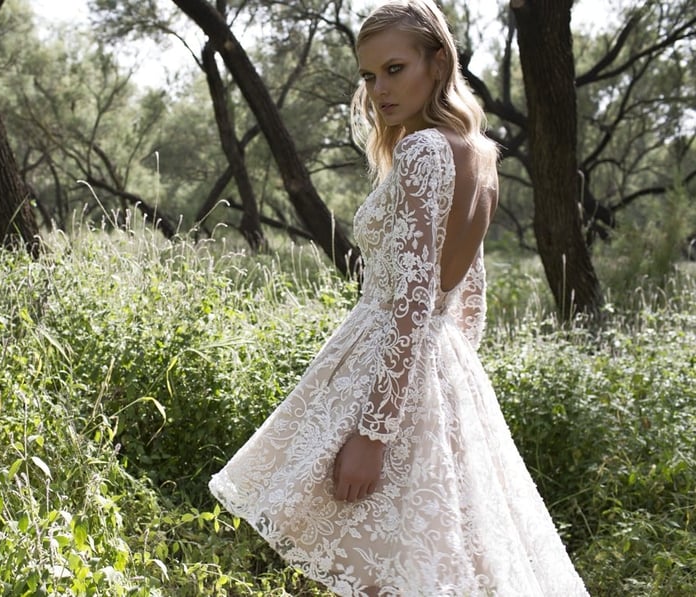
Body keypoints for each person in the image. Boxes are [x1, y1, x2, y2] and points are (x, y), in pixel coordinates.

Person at [208, 1, 590, 595]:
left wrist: (374, 433)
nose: (378, 90)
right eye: (367, 76)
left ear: (437, 63)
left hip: (389, 372)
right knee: (423, 560)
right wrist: (449, 388)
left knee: (383, 565)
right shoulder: (481, 153)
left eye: (393, 69)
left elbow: (414, 300)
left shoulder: (422, 152)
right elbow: (468, 299)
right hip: (441, 366)